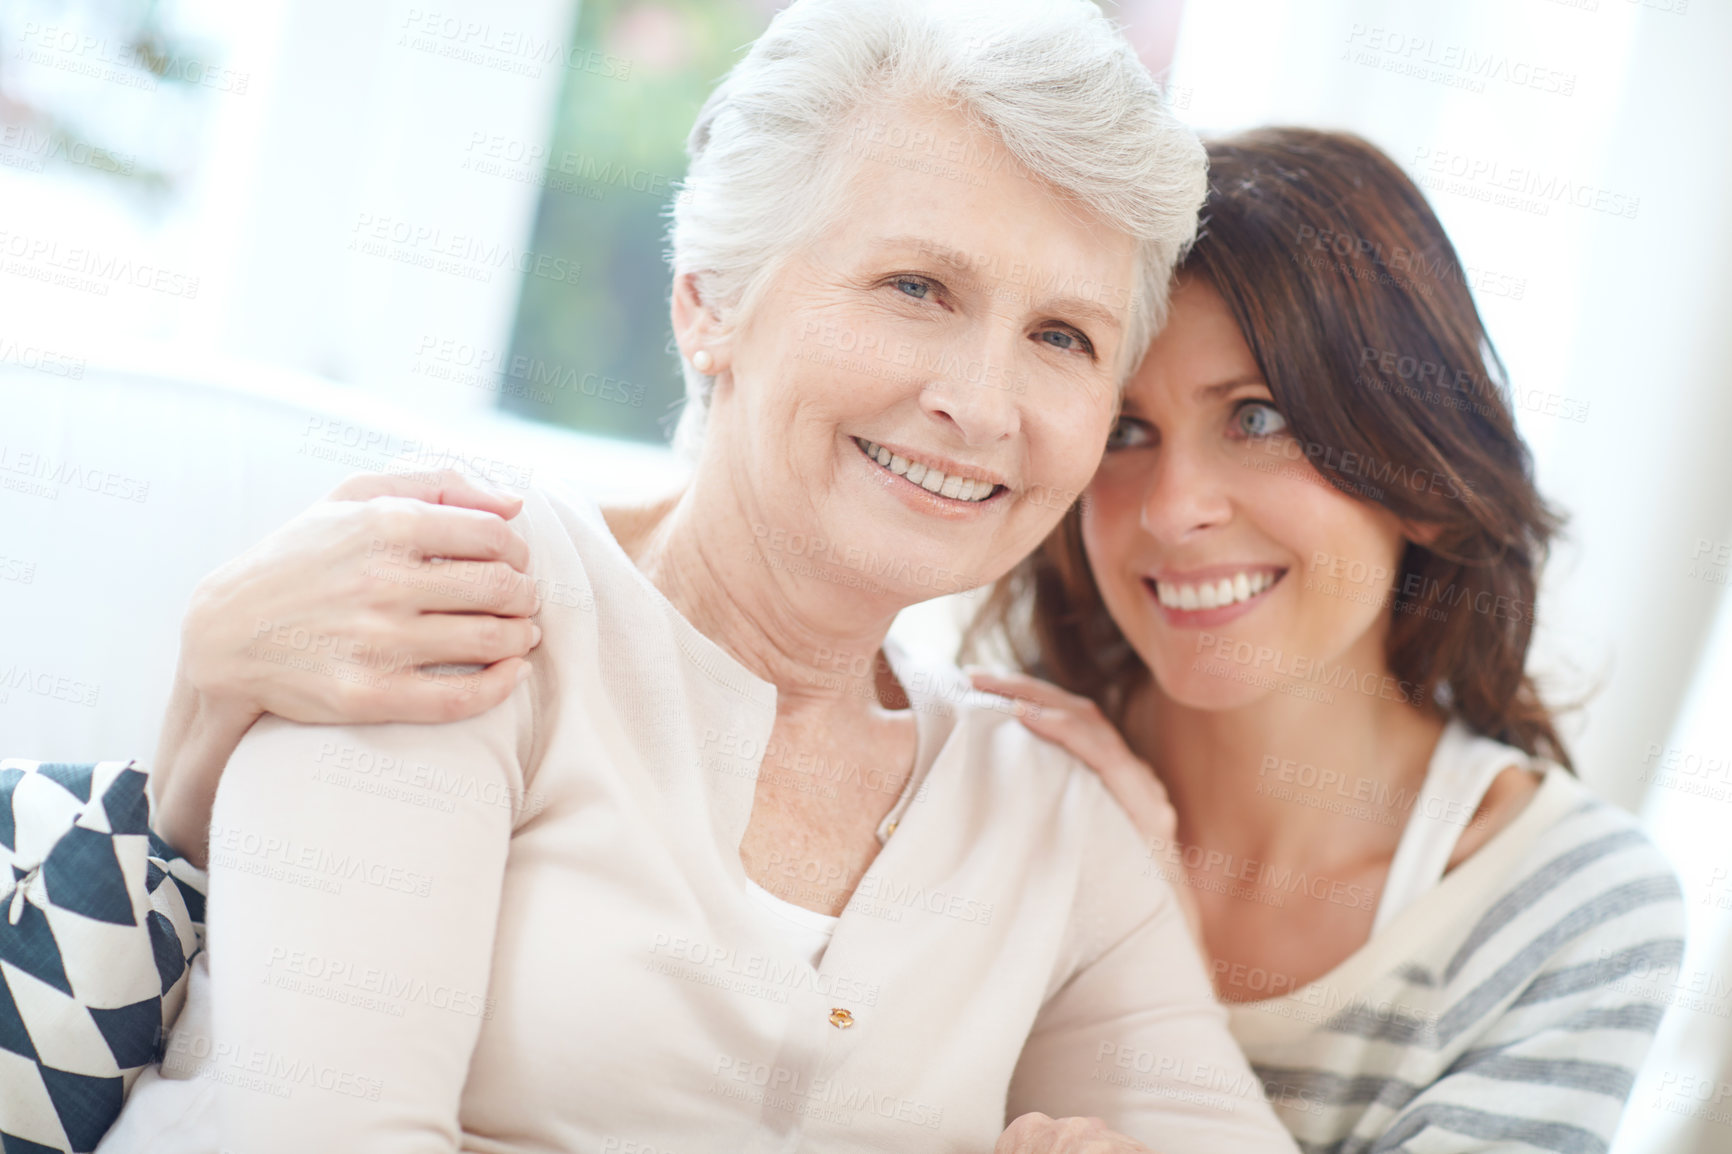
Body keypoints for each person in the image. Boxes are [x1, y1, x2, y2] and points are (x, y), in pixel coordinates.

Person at [92, 1, 1298, 1152]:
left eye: (1061, 337)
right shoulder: (445, 600)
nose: (980, 406)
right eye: (916, 288)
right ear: (709, 304)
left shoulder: (1053, 810)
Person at [967, 129, 1686, 1153]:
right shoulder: (977, 773)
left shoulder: (1570, 909)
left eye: (1257, 417)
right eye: (1125, 430)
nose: (1172, 510)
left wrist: (1153, 952)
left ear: (1425, 480)